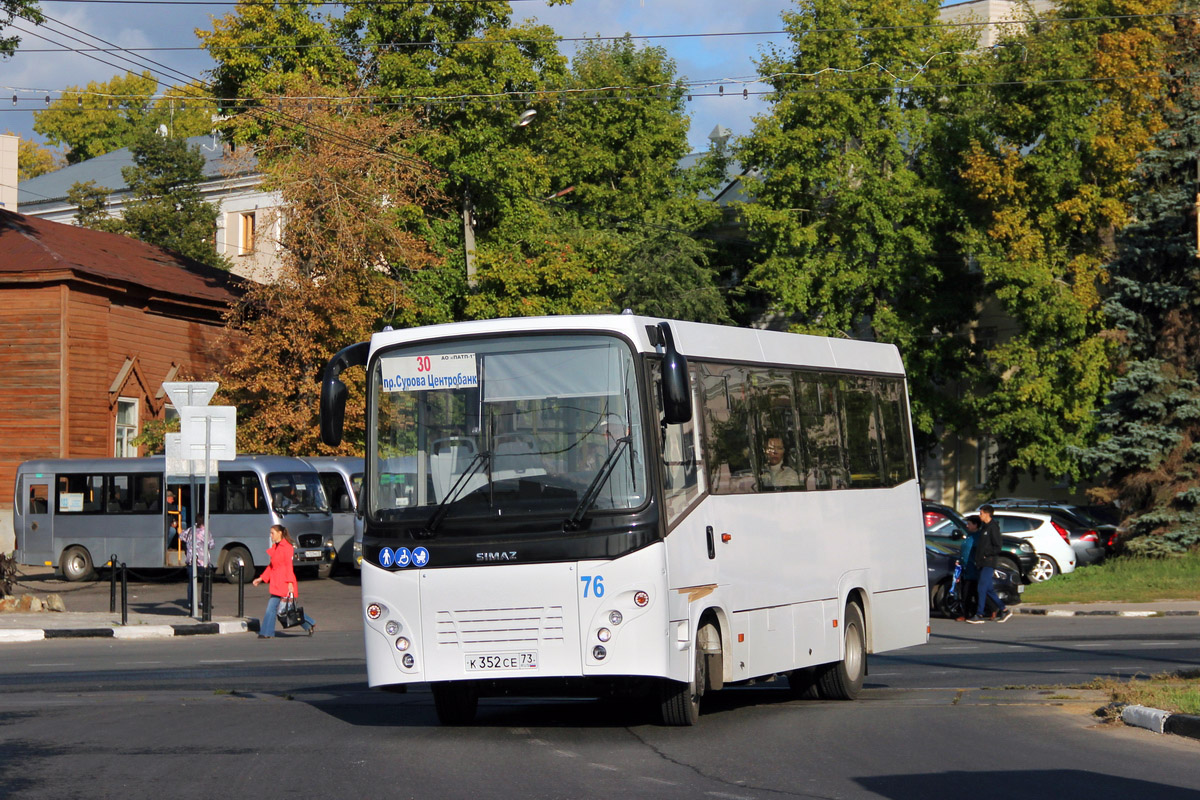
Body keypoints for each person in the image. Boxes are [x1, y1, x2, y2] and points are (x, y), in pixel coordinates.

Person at [251, 524, 316, 638]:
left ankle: (266, 632)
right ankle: (309, 623)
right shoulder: (275, 547)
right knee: (285, 609)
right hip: (277, 583)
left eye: (272, 533)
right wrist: (261, 578)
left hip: (285, 583)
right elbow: (271, 566)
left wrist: (290, 583)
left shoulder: (287, 547)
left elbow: (288, 566)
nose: (271, 535)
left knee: (281, 609)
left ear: (280, 533)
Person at [965, 504, 1012, 624]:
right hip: (981, 562)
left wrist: (987, 554)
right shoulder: (984, 528)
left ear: (987, 514)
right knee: (989, 589)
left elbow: (997, 546)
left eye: (981, 513)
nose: (980, 515)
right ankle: (1004, 610)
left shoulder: (993, 527)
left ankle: (979, 614)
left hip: (989, 562)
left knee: (981, 587)